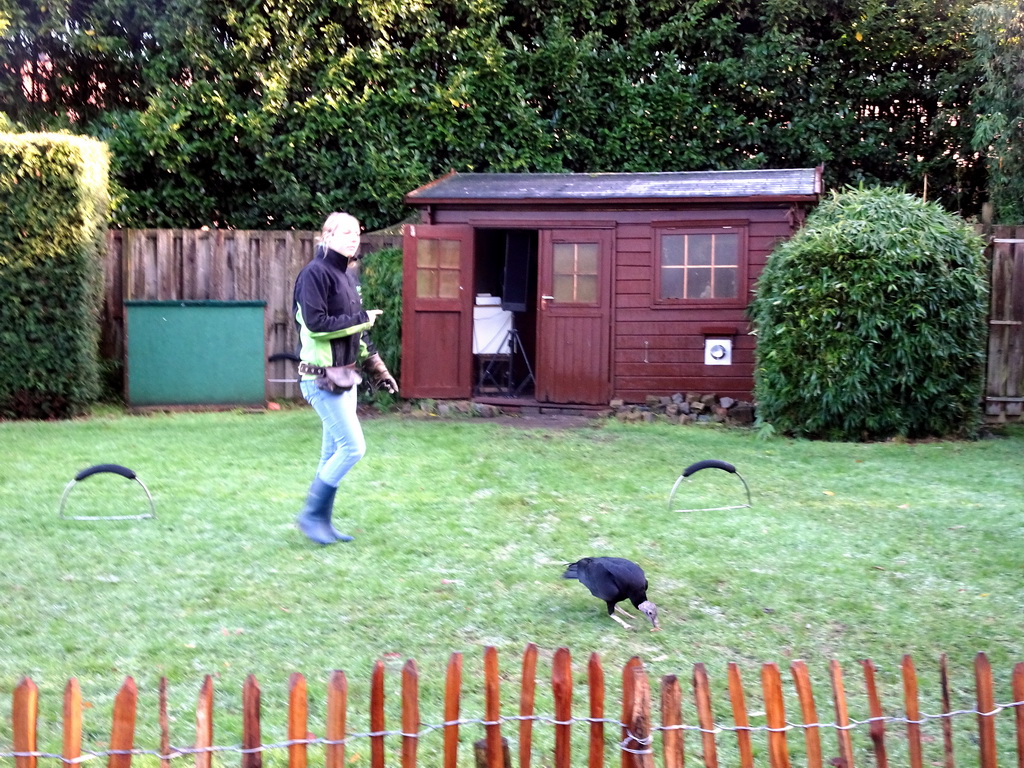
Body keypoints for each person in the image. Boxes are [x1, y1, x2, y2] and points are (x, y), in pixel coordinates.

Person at [292, 212, 398, 545]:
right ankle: (310, 516)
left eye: (357, 233)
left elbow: (358, 335)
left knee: (331, 454)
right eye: (345, 233)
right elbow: (316, 325)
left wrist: (377, 368)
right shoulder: (314, 274)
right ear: (327, 236)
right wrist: (362, 319)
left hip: (345, 376)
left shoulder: (347, 276)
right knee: (353, 449)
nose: (353, 238)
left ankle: (323, 523)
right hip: (320, 379)